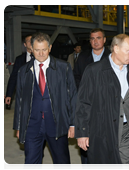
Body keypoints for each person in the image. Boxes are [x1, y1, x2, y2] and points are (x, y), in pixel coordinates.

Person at [75, 34, 129, 168]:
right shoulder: (94, 71)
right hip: (102, 130)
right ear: (116, 48)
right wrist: (82, 132)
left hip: (128, 130)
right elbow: (83, 103)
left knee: (125, 165)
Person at [13, 32, 77, 169]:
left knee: (62, 162)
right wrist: (18, 126)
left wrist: (73, 123)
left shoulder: (63, 68)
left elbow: (73, 96)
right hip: (32, 124)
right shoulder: (23, 71)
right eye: (37, 50)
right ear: (31, 49)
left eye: (44, 49)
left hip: (57, 123)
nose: (41, 53)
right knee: (30, 163)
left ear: (50, 48)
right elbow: (19, 100)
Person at [73, 28, 111, 168]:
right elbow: (75, 76)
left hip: (106, 105)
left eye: (98, 38)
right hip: (87, 105)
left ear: (104, 39)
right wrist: (83, 92)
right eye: (92, 39)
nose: (95, 41)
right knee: (86, 143)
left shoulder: (111, 57)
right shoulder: (82, 57)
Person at [5, 34, 34, 109]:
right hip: (24, 94)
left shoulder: (41, 57)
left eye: (32, 40)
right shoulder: (19, 59)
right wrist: (9, 94)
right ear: (25, 44)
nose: (31, 42)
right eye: (28, 41)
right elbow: (13, 77)